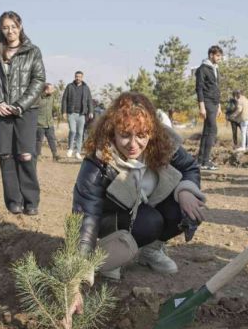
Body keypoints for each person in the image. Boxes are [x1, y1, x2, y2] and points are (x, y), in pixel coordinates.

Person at [72, 92, 205, 283]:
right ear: (112, 130)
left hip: (146, 208)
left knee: (184, 208)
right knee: (150, 222)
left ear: (151, 132)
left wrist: (186, 190)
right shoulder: (99, 161)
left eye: (142, 135)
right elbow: (86, 214)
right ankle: (109, 255)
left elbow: (189, 168)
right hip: (111, 219)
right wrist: (81, 263)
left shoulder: (164, 144)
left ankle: (150, 251)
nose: (133, 145)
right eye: (125, 135)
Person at [0, 11, 46, 215]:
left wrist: (20, 105)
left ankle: (31, 200)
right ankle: (13, 200)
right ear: (1, 30)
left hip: (25, 111)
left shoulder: (32, 51)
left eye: (13, 26)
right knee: (6, 155)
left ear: (20, 27)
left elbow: (38, 80)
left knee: (26, 154)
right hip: (1, 112)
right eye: (5, 27)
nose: (10, 31)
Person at [195, 45, 223, 170]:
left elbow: (217, 88)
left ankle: (200, 160)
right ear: (211, 55)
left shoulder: (215, 68)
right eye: (217, 55)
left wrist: (219, 105)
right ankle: (206, 161)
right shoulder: (202, 69)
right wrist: (202, 106)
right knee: (213, 130)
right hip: (206, 101)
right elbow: (199, 88)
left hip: (214, 103)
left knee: (207, 131)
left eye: (220, 56)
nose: (219, 58)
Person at [61, 71, 94, 159]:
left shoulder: (86, 88)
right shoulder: (69, 86)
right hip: (71, 113)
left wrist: (91, 111)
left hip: (81, 114)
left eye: (79, 77)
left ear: (82, 77)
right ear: (74, 77)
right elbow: (64, 99)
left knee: (80, 133)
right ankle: (70, 148)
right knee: (73, 131)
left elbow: (89, 100)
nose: (78, 78)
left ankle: (78, 152)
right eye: (76, 76)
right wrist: (64, 112)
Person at [36, 83, 60, 162]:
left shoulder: (52, 96)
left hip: (49, 122)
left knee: (52, 139)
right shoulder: (38, 97)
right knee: (39, 140)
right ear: (46, 90)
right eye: (51, 89)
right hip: (39, 123)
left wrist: (56, 112)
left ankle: (55, 155)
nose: (53, 90)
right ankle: (38, 155)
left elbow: (54, 106)